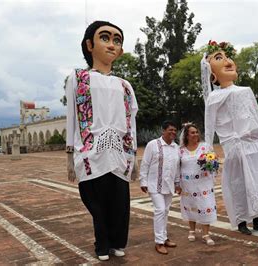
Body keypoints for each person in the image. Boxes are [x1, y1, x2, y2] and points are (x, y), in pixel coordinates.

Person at [65, 20, 138, 261]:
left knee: (120, 202)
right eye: (104, 38)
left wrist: (134, 155)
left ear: (121, 50)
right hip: (89, 151)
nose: (111, 44)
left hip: (119, 152)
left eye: (117, 40)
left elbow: (131, 120)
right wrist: (69, 155)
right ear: (89, 44)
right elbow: (72, 117)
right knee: (95, 201)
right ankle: (102, 244)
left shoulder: (125, 85)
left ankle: (117, 242)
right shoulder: (79, 78)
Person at [201, 40, 258, 235]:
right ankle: (242, 222)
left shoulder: (246, 91)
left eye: (228, 57)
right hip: (235, 146)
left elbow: (256, 116)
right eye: (219, 58)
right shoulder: (214, 97)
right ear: (212, 75)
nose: (228, 61)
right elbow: (209, 124)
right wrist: (209, 149)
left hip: (255, 144)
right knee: (239, 185)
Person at [139, 120, 181, 255]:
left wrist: (177, 183)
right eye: (170, 130)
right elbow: (145, 163)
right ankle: (159, 241)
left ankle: (164, 237)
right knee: (160, 210)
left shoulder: (176, 148)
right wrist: (143, 181)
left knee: (166, 211)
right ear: (163, 130)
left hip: (169, 185)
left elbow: (177, 167)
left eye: (175, 130)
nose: (173, 132)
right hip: (154, 184)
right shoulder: (153, 145)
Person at [178, 122, 217, 245]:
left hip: (204, 183)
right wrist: (177, 183)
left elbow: (214, 161)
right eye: (192, 132)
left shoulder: (205, 146)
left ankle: (206, 234)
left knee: (205, 205)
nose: (195, 134)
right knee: (191, 205)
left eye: (196, 132)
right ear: (186, 135)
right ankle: (192, 230)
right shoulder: (181, 151)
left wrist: (211, 160)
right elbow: (177, 167)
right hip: (187, 185)